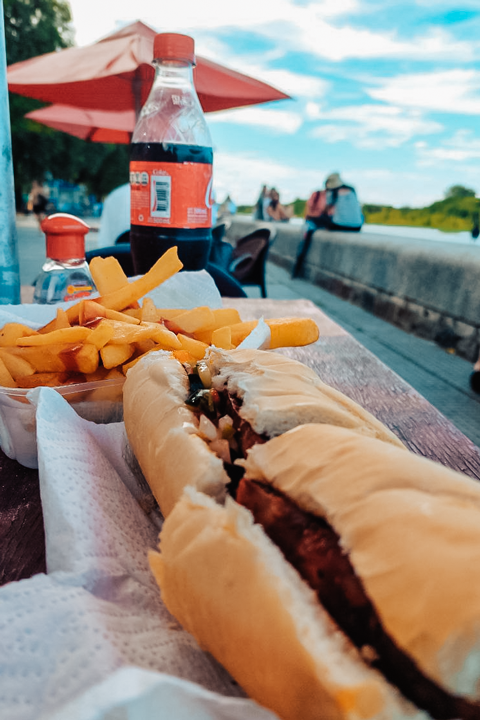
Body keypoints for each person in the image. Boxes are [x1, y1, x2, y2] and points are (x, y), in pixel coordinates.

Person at [292, 173, 363, 278]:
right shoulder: (352, 190)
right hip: (357, 226)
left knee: (311, 224)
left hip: (340, 225)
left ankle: (297, 268)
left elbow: (326, 210)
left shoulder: (333, 191)